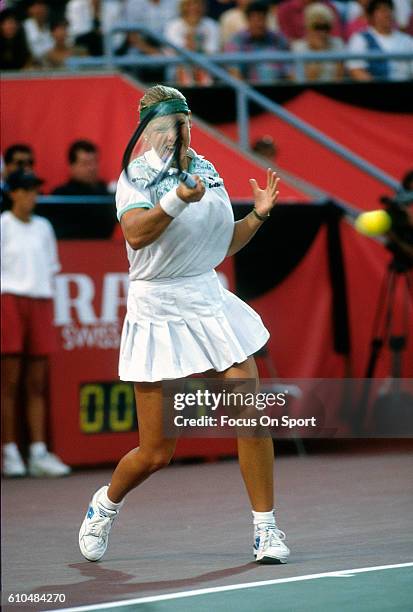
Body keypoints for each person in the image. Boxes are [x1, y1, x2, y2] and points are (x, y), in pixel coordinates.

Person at [78, 85, 290, 565]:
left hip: (207, 298)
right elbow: (135, 232)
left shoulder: (208, 169)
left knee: (250, 412)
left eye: (182, 124)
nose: (175, 134)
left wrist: (256, 215)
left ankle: (266, 529)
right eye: (162, 128)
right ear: (147, 133)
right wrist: (175, 199)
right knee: (156, 453)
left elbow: (221, 246)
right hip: (157, 308)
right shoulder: (134, 177)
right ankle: (105, 505)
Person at [1, 169, 71, 478]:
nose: (32, 195)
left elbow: (52, 269)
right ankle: (9, 452)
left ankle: (38, 452)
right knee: (9, 383)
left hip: (41, 301)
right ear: (12, 193)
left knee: (36, 384)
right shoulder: (3, 224)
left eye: (35, 190)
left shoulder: (44, 227)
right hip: (8, 302)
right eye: (26, 190)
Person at [224, 1, 290, 83]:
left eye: (262, 19)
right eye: (255, 20)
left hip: (280, 90)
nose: (259, 24)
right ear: (248, 20)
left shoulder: (278, 39)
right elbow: (234, 73)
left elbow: (290, 71)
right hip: (249, 92)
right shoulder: (237, 41)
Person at [347, 0, 413, 80]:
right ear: (371, 16)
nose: (387, 14)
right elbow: (356, 70)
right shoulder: (359, 39)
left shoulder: (407, 40)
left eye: (389, 9)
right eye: (382, 11)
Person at [165, 0, 220, 85]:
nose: (194, 8)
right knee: (182, 67)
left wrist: (194, 43)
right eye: (189, 4)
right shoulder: (173, 26)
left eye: (198, 4)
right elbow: (179, 52)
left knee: (204, 70)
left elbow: (211, 52)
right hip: (178, 70)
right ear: (183, 7)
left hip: (205, 67)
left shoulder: (211, 25)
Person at [292, 2, 344, 81]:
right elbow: (309, 80)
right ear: (308, 27)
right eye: (317, 27)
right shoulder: (299, 47)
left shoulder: (337, 44)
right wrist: (319, 52)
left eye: (325, 27)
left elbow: (338, 79)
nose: (322, 32)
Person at [1, 143, 36, 210]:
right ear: (6, 165)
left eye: (30, 163)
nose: (26, 168)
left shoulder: (37, 195)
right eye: (20, 163)